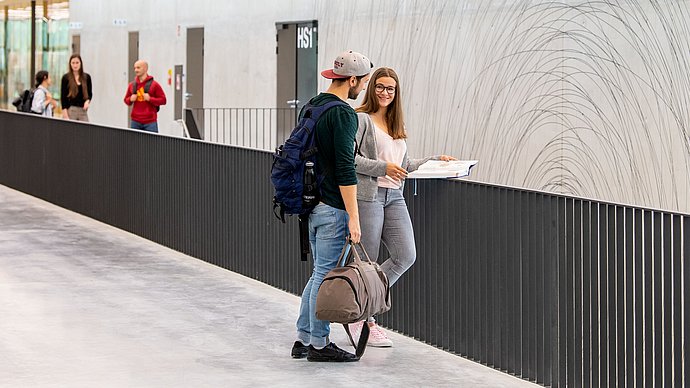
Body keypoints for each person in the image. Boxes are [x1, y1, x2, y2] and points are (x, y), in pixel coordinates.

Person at [348, 67, 456, 347]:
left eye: (391, 89)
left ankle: (360, 305)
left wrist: (435, 160)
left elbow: (404, 167)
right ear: (372, 89)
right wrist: (384, 167)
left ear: (397, 94)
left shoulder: (396, 127)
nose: (385, 92)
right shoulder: (361, 120)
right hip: (368, 196)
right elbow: (350, 159)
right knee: (366, 263)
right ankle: (365, 320)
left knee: (405, 255)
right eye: (381, 87)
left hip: (395, 197)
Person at [291, 50, 372, 362]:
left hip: (309, 204)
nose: (361, 88)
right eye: (362, 83)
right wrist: (354, 217)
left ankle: (303, 337)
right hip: (332, 206)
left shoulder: (312, 106)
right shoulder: (343, 114)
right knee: (325, 275)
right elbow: (345, 168)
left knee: (318, 274)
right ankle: (320, 344)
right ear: (351, 80)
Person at [123, 60, 167, 133]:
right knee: (135, 143)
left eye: (138, 68)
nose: (136, 70)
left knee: (152, 143)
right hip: (135, 121)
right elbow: (126, 100)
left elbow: (163, 100)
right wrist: (130, 99)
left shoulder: (154, 85)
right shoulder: (132, 85)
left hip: (150, 122)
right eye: (135, 68)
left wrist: (150, 99)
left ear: (145, 69)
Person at [60, 54, 92, 121]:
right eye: (73, 63)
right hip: (71, 110)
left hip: (83, 110)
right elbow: (63, 98)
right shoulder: (66, 78)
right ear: (70, 64)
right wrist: (65, 114)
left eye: (77, 63)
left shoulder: (87, 77)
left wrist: (87, 101)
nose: (75, 65)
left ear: (81, 63)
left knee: (85, 130)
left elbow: (90, 93)